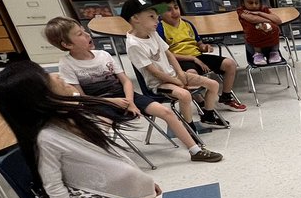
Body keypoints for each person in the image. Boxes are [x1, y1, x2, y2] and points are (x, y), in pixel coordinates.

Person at [0, 61, 178, 198]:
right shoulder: (46, 138)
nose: (56, 75)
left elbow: (109, 151)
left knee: (136, 181)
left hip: (100, 176)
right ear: (38, 96)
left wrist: (143, 179)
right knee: (125, 179)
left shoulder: (71, 113)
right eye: (46, 77)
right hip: (73, 195)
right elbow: (53, 186)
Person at [43, 16, 222, 163]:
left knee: (165, 112)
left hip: (124, 95)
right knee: (102, 126)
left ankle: (195, 150)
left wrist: (129, 101)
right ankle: (105, 162)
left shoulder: (103, 55)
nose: (87, 34)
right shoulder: (67, 64)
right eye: (79, 34)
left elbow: (126, 81)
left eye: (84, 31)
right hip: (98, 102)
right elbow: (81, 97)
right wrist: (113, 102)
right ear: (67, 44)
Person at [122, 0, 229, 131]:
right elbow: (153, 72)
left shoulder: (152, 33)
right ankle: (189, 127)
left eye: (156, 16)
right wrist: (177, 82)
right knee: (185, 95)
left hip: (173, 75)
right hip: (159, 83)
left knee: (213, 84)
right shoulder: (133, 45)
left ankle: (208, 116)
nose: (157, 20)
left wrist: (179, 73)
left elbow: (169, 54)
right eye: (151, 16)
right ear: (135, 19)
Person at [147, 0, 246, 111]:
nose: (175, 12)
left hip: (197, 56)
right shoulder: (160, 28)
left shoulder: (187, 24)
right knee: (191, 75)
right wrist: (192, 58)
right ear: (159, 12)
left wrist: (204, 47)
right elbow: (166, 54)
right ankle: (201, 102)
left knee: (230, 64)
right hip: (180, 60)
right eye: (168, 10)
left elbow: (198, 43)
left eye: (176, 8)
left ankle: (226, 97)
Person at [237, 0, 284, 67]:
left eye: (257, 2)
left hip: (271, 46)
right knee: (255, 30)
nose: (254, 5)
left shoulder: (263, 9)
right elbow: (252, 19)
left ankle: (274, 53)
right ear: (243, 3)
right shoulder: (242, 11)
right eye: (250, 3)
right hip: (254, 48)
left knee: (275, 29)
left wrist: (260, 13)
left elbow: (278, 20)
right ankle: (258, 54)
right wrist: (270, 20)